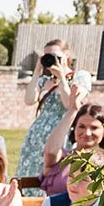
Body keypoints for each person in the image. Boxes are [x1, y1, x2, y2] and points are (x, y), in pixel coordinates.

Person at [17, 39, 92, 189]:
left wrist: (62, 78)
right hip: (35, 142)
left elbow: (69, 105)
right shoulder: (45, 80)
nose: (51, 59)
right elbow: (29, 100)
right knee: (29, 183)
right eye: (47, 56)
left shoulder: (80, 77)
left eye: (55, 56)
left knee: (54, 180)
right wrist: (37, 71)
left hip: (60, 139)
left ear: (67, 55)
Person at [39, 92, 104, 195]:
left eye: (94, 128)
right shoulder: (62, 159)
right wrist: (72, 111)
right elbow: (50, 152)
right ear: (74, 129)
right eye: (81, 127)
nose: (87, 133)